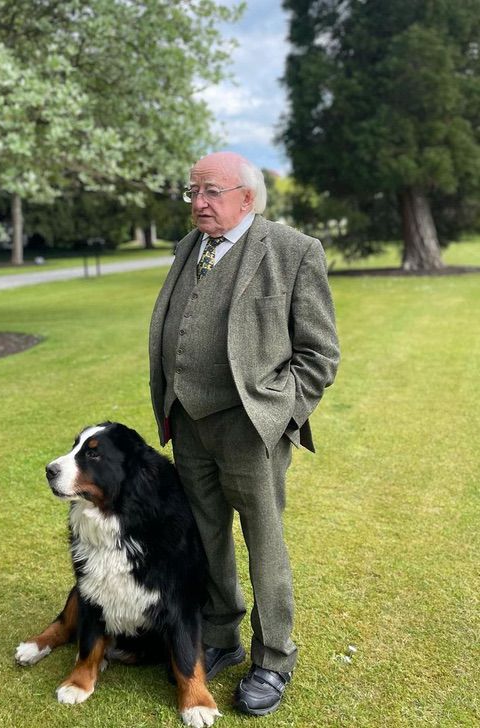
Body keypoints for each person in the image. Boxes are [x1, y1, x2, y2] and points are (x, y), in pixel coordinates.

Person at [148, 151, 340, 716]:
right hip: (187, 423)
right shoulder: (191, 248)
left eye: (210, 192)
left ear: (246, 198)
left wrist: (280, 413)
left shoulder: (292, 251)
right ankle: (223, 637)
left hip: (251, 428)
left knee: (264, 543)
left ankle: (275, 658)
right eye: (192, 192)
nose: (198, 203)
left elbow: (320, 354)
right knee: (205, 537)